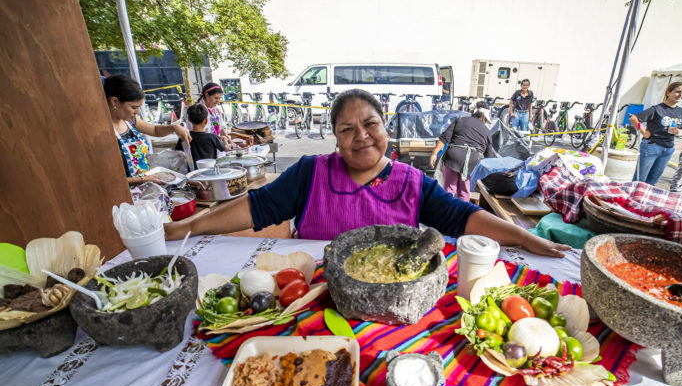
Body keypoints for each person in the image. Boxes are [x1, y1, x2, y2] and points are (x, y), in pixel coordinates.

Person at [164, 89, 570, 258]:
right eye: (347, 129)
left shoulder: (413, 185)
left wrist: (524, 237)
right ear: (336, 138)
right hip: (313, 306)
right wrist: (188, 228)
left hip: (389, 310)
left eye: (370, 124)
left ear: (385, 126)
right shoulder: (309, 173)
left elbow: (462, 218)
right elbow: (256, 207)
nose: (361, 137)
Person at [105, 75, 192, 185]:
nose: (138, 112)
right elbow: (110, 179)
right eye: (133, 107)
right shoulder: (104, 132)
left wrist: (174, 127)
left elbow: (155, 130)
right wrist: (145, 179)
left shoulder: (130, 121)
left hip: (144, 188)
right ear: (114, 101)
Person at [429, 104, 497, 202]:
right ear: (483, 117)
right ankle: (463, 215)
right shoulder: (486, 131)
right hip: (471, 161)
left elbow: (444, 138)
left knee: (449, 189)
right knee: (464, 192)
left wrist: (434, 154)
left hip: (453, 158)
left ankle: (446, 214)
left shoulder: (460, 120)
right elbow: (489, 156)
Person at [629, 81, 682, 186]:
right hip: (652, 146)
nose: (681, 95)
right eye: (677, 91)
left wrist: (677, 131)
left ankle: (643, 201)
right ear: (668, 93)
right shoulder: (657, 109)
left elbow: (677, 128)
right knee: (639, 180)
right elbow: (634, 118)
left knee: (652, 182)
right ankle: (632, 199)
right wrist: (643, 132)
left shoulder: (680, 111)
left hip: (668, 148)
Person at [175, 103, 229, 168]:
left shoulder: (184, 136)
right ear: (206, 121)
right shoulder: (212, 137)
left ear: (189, 119)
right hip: (210, 171)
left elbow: (178, 151)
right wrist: (224, 140)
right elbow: (226, 149)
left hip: (192, 173)